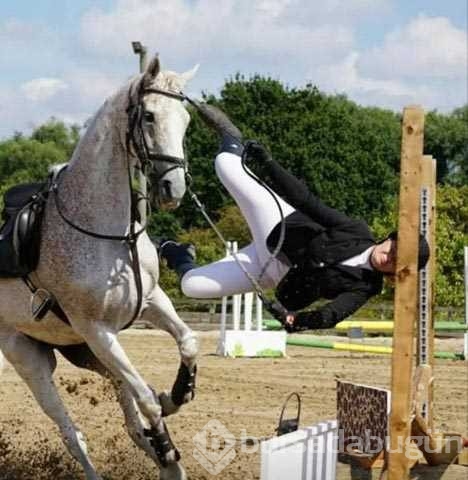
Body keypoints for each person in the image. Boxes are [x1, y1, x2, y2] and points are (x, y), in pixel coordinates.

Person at [159, 104, 430, 332]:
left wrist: (295, 321)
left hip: (270, 273)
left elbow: (332, 315)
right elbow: (306, 201)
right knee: (225, 167)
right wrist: (268, 164)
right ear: (388, 239)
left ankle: (176, 251)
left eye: (395, 262)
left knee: (192, 286)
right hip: (278, 227)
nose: (389, 258)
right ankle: (232, 140)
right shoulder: (355, 230)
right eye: (393, 250)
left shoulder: (366, 286)